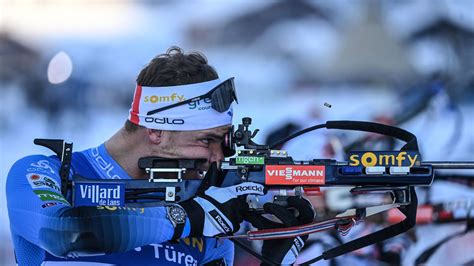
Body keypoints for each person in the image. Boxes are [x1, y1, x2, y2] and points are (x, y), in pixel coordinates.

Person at [6, 46, 313, 265]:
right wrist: (188, 218)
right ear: (156, 131)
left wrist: (274, 261)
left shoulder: (204, 210)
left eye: (225, 144)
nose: (217, 158)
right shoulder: (46, 173)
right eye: (207, 140)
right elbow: (64, 233)